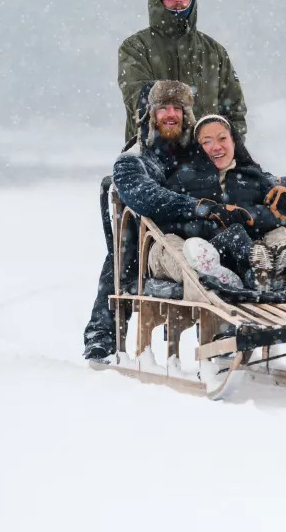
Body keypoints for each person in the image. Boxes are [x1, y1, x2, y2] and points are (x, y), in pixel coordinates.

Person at [147, 113, 286, 292]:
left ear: (233, 141)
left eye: (222, 139)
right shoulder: (181, 179)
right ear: (197, 147)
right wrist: (211, 219)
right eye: (207, 142)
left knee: (279, 231)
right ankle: (209, 274)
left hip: (248, 256)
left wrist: (248, 216)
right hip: (201, 250)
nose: (216, 147)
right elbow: (167, 218)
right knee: (170, 243)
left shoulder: (253, 177)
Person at [82, 79, 198, 362]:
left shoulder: (202, 150)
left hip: (199, 238)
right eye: (163, 108)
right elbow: (147, 198)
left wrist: (281, 187)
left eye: (177, 108)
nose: (171, 114)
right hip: (146, 249)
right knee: (119, 258)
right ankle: (101, 336)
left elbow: (243, 169)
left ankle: (228, 336)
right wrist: (199, 207)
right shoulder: (133, 159)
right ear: (151, 115)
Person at [118, 0, 248, 145]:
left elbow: (234, 111)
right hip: (152, 160)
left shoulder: (214, 52)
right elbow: (139, 98)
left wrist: (230, 148)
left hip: (206, 161)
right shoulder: (134, 47)